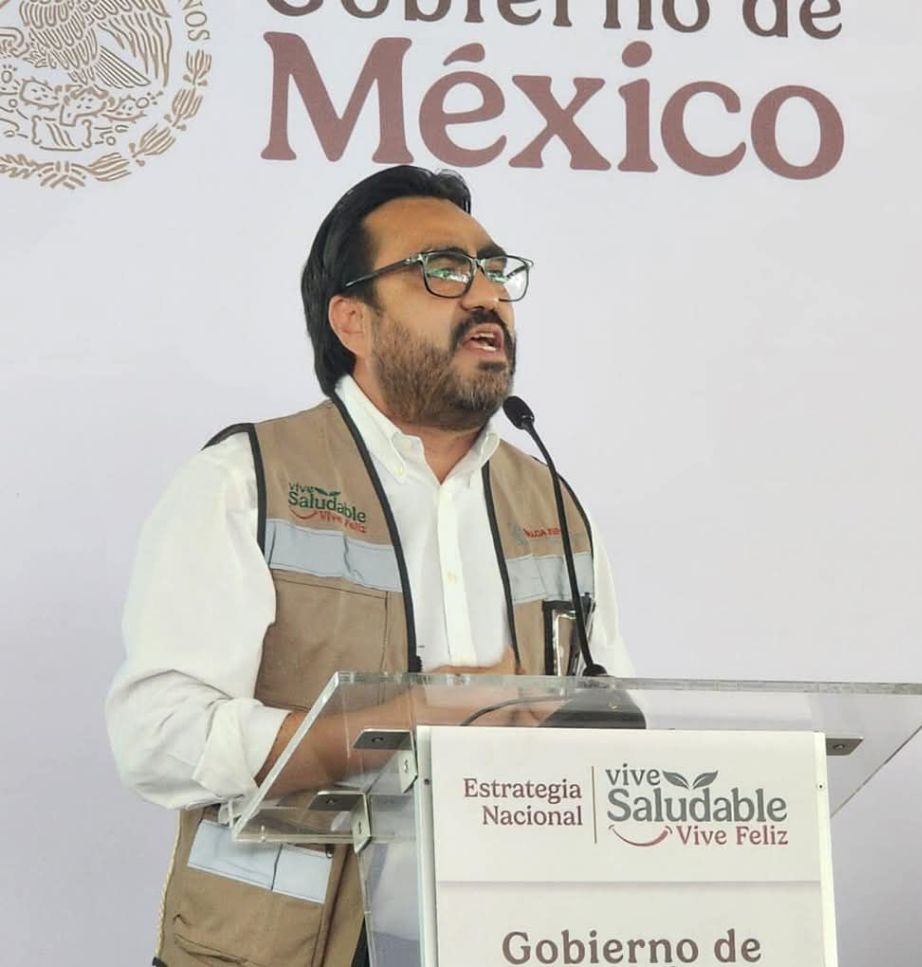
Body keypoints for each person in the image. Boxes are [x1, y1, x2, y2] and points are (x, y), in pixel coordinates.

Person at [106, 165, 633, 967]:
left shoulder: (553, 503)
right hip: (286, 946)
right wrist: (372, 733)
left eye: (495, 270)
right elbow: (157, 734)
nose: (486, 295)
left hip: (508, 935)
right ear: (353, 318)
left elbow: (608, 715)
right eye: (443, 269)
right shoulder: (245, 478)